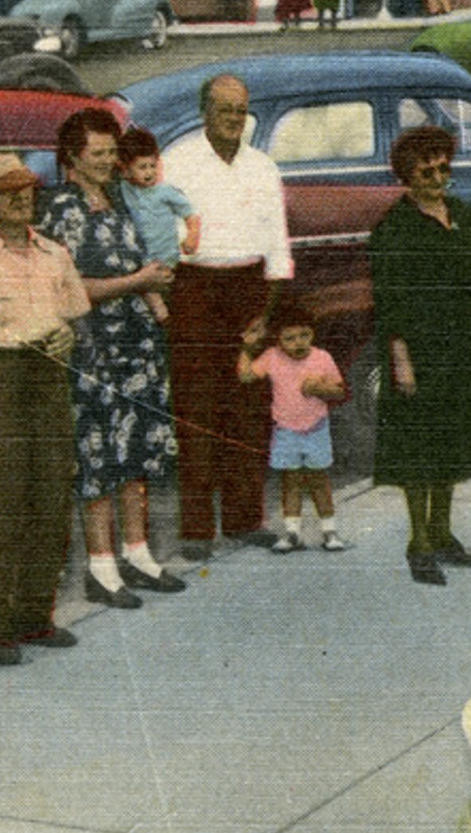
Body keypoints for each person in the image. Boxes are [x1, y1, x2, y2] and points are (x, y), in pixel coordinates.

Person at [43, 109, 185, 608]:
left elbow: (134, 260)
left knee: (138, 450)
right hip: (94, 348)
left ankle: (138, 554)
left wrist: (153, 299)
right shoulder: (61, 209)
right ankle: (101, 569)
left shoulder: (120, 198)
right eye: (98, 154)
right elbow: (69, 289)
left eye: (111, 153)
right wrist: (138, 283)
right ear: (72, 158)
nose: (108, 161)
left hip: (137, 343)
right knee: (100, 456)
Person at [166, 73, 294, 558]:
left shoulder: (263, 168)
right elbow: (166, 237)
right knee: (197, 410)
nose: (235, 120)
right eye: (225, 110)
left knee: (248, 409)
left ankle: (244, 518)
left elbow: (278, 245)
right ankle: (197, 528)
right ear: (205, 113)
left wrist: (269, 311)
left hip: (249, 290)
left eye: (241, 110)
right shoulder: (177, 163)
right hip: (196, 290)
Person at [369, 125, 471, 585]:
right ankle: (419, 542)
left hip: (462, 343)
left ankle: (443, 532)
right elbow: (389, 299)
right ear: (407, 173)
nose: (437, 175)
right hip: (419, 348)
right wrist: (400, 357)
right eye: (426, 168)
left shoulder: (461, 212)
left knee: (452, 442)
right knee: (418, 447)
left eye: (443, 166)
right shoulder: (394, 226)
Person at [0, 153, 88, 665]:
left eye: (27, 187)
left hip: (46, 377)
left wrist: (68, 335)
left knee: (50, 497)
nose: (22, 197)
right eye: (8, 189)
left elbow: (73, 317)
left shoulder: (54, 254)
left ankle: (36, 618)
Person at [237, 294, 346, 552]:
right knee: (291, 481)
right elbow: (245, 376)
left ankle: (329, 531)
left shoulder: (321, 357)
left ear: (312, 334)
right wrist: (247, 349)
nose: (298, 343)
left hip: (316, 428)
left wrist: (321, 388)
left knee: (319, 480)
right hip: (286, 430)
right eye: (289, 338)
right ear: (277, 340)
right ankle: (292, 532)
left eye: (304, 336)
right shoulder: (272, 357)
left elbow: (340, 390)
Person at [116, 125, 201, 324]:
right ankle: (161, 313)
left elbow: (191, 215)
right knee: (147, 286)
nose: (149, 173)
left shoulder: (165, 192)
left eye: (152, 166)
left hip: (166, 257)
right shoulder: (125, 189)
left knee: (165, 288)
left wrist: (192, 237)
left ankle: (164, 314)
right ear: (127, 169)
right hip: (142, 259)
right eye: (142, 167)